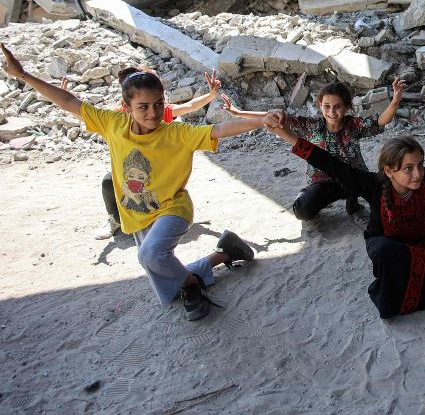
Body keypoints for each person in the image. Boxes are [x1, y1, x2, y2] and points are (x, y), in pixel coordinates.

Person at [1, 44, 266, 321]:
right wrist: (24, 76)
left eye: (158, 105)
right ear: (126, 108)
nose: (152, 113)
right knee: (162, 268)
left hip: (172, 208)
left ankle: (191, 287)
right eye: (143, 107)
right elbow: (69, 102)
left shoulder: (177, 133)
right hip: (137, 214)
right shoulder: (112, 124)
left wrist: (262, 120)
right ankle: (224, 253)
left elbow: (219, 129)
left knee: (151, 256)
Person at [264, 94, 425, 318]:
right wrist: (284, 133)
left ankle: (415, 272)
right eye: (408, 168)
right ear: (389, 171)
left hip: (421, 241)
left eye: (419, 165)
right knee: (389, 253)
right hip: (386, 247)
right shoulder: (373, 185)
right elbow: (328, 162)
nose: (417, 174)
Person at [222, 79, 404, 223]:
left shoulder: (353, 125)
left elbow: (381, 120)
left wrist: (395, 101)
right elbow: (271, 117)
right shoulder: (311, 126)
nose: (332, 112)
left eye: (338, 106)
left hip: (353, 178)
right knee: (303, 211)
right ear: (320, 105)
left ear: (347, 107)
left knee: (384, 197)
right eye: (327, 106)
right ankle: (307, 192)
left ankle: (353, 204)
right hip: (324, 182)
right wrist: (239, 113)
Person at [92, 67, 223, 240]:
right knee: (109, 182)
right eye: (143, 106)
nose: (151, 113)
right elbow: (88, 115)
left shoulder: (159, 113)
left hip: (157, 170)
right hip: (131, 169)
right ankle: (115, 219)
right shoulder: (117, 118)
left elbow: (189, 106)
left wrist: (211, 95)